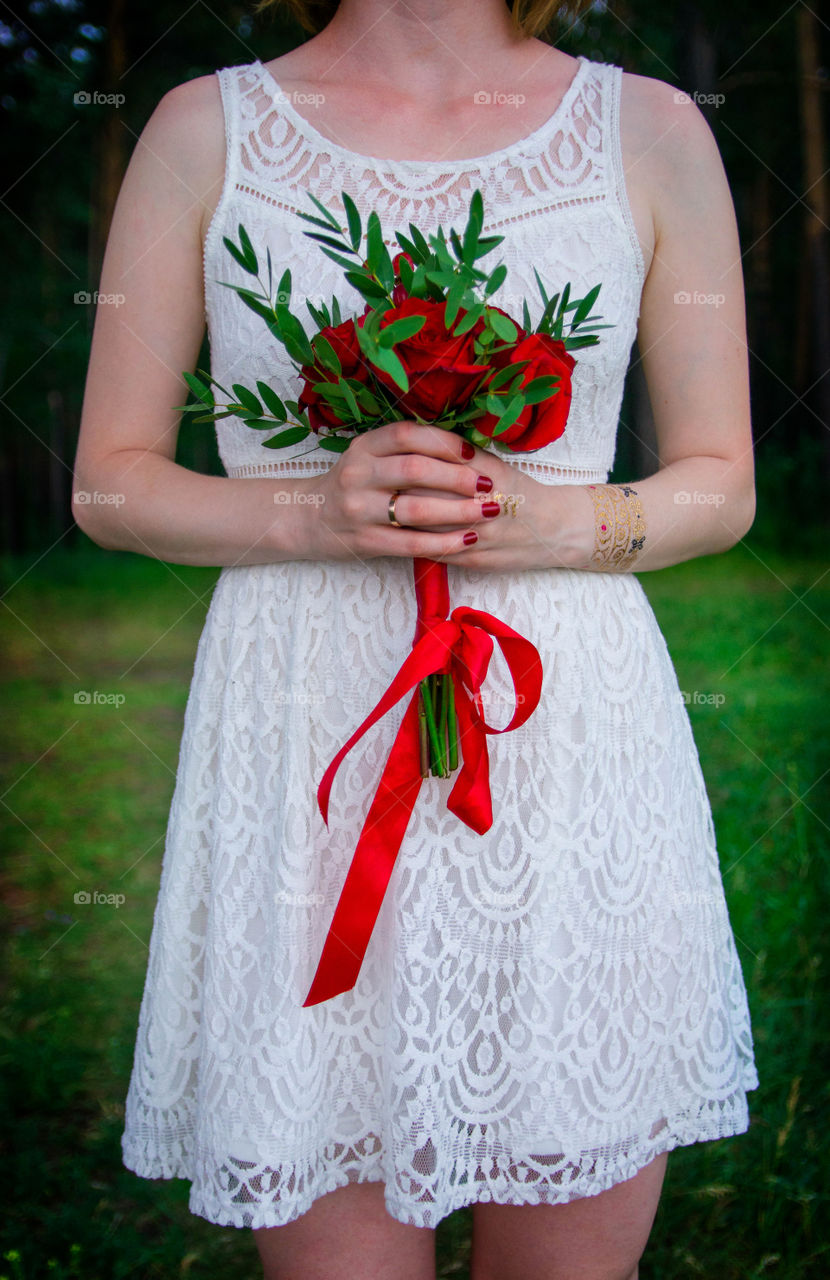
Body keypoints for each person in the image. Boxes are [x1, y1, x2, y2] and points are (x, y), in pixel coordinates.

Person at [72, 0, 759, 1276]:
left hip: (561, 752)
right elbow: (108, 485)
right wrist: (312, 506)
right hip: (305, 742)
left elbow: (719, 484)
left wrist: (551, 518)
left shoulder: (652, 130)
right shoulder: (202, 129)